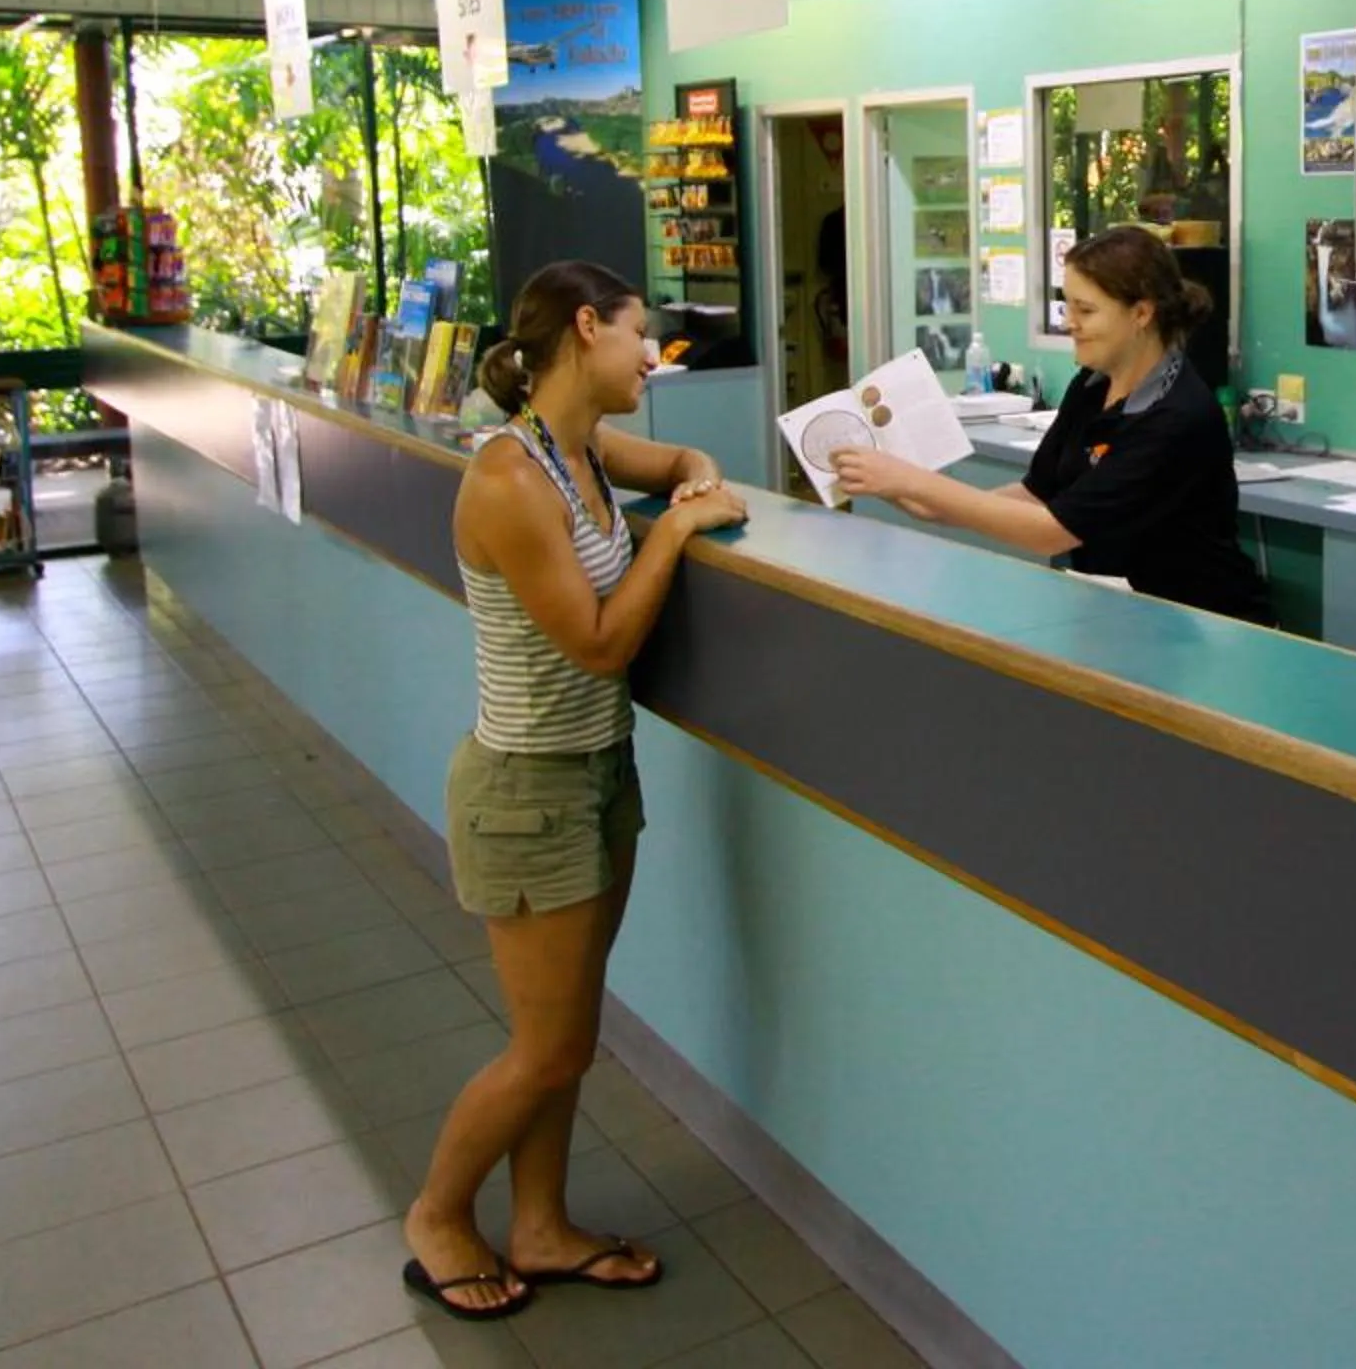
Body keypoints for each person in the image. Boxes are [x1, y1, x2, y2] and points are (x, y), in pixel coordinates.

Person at [401, 262, 749, 1321]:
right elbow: (598, 644)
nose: (652, 354)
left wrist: (690, 475)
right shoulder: (509, 477)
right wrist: (679, 531)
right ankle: (437, 1213)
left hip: (597, 770)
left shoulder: (578, 446)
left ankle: (542, 1224)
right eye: (638, 333)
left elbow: (683, 457)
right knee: (547, 1042)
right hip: (527, 789)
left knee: (571, 1032)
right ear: (587, 328)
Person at [829, 225, 1269, 622]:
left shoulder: (1177, 418)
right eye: (1066, 306)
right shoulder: (1092, 386)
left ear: (1141, 313)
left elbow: (1051, 532)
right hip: (1125, 614)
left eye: (1086, 310)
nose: (1069, 324)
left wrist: (914, 483)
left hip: (1204, 624)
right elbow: (1036, 494)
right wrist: (914, 495)